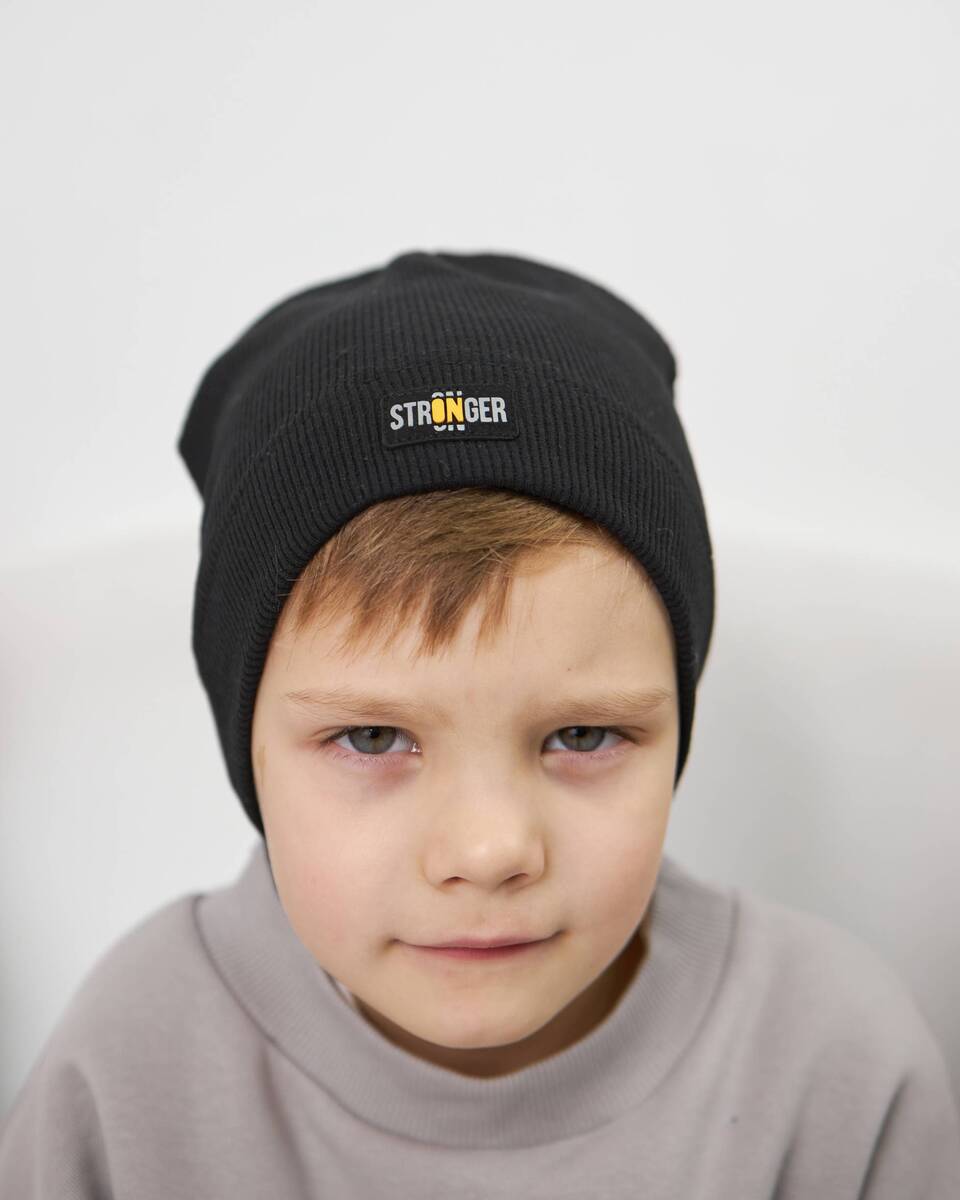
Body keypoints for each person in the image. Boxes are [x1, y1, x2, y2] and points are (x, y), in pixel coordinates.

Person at [2, 250, 958, 1197]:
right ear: (246, 756)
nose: (490, 850)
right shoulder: (130, 1072)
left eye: (582, 737)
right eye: (373, 739)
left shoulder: (834, 1069)